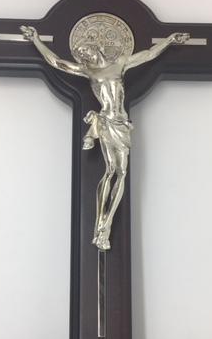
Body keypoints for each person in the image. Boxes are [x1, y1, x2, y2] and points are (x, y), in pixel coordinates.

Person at [20, 24, 189, 251]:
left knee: (122, 173)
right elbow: (57, 62)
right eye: (81, 54)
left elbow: (148, 54)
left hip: (122, 123)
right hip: (107, 122)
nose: (84, 56)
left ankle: (107, 222)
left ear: (96, 48)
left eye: (86, 51)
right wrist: (36, 40)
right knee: (110, 171)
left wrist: (169, 40)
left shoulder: (120, 63)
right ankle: (102, 224)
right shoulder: (89, 71)